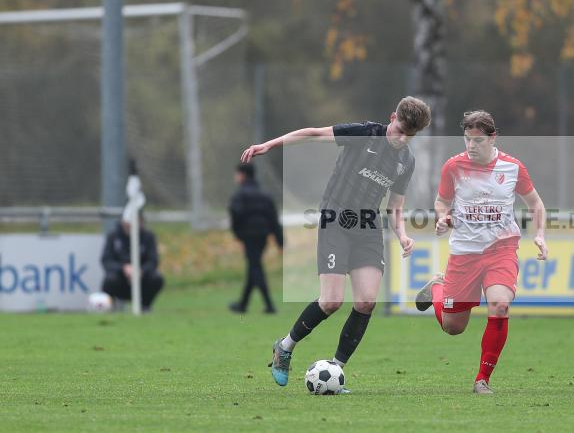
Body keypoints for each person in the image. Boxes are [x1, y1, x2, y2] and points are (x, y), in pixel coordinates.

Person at [240, 96, 431, 390]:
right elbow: (314, 133)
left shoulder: (406, 160)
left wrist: (402, 234)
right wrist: (271, 144)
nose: (402, 138)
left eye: (410, 135)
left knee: (367, 300)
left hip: (367, 227)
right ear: (392, 117)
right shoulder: (363, 133)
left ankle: (335, 372)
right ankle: (285, 347)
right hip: (336, 218)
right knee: (331, 301)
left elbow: (395, 204)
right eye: (400, 129)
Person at [415, 110, 548, 394]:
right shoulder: (453, 167)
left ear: (492, 138)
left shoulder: (512, 168)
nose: (471, 146)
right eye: (467, 140)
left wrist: (539, 235)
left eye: (477, 140)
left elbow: (536, 204)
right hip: (465, 252)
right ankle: (437, 287)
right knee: (453, 327)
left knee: (500, 305)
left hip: (501, 248)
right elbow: (441, 201)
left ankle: (482, 379)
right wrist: (443, 217)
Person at [228, 162, 284, 314]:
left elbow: (235, 215)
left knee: (255, 267)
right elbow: (273, 218)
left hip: (249, 236)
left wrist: (238, 235)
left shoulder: (240, 195)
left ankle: (269, 305)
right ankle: (243, 304)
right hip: (263, 237)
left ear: (242, 175)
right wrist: (280, 241)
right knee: (253, 266)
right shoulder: (265, 195)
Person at [101, 216, 165, 311]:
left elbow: (153, 260)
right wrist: (123, 268)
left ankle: (145, 306)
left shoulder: (148, 237)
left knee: (157, 278)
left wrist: (141, 270)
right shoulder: (113, 237)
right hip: (120, 279)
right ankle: (112, 306)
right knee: (109, 280)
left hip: (142, 279)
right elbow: (106, 260)